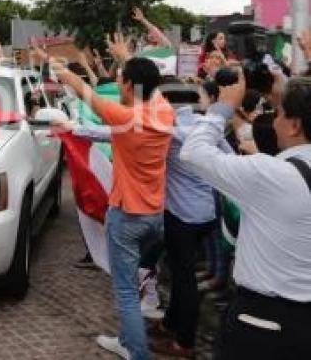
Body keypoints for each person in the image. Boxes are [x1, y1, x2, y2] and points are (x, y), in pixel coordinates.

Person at [49, 34, 174, 360]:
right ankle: (130, 336)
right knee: (138, 279)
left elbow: (86, 92)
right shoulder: (163, 111)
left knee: (125, 291)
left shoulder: (124, 117)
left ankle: (135, 351)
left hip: (127, 216)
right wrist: (125, 58)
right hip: (156, 216)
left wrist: (64, 72)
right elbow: (149, 84)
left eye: (121, 80)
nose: (118, 84)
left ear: (130, 86)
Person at [180, 72, 311, 359]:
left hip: (264, 323)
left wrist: (222, 109)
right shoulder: (274, 171)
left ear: (295, 125)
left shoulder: (271, 174)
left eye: (278, 113)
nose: (272, 121)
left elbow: (193, 152)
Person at [148, 81, 231, 358]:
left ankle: (184, 343)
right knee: (180, 269)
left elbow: (113, 135)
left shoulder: (170, 130)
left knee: (184, 281)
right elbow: (230, 159)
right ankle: (171, 323)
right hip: (207, 213)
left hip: (182, 217)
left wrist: (75, 129)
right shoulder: (207, 126)